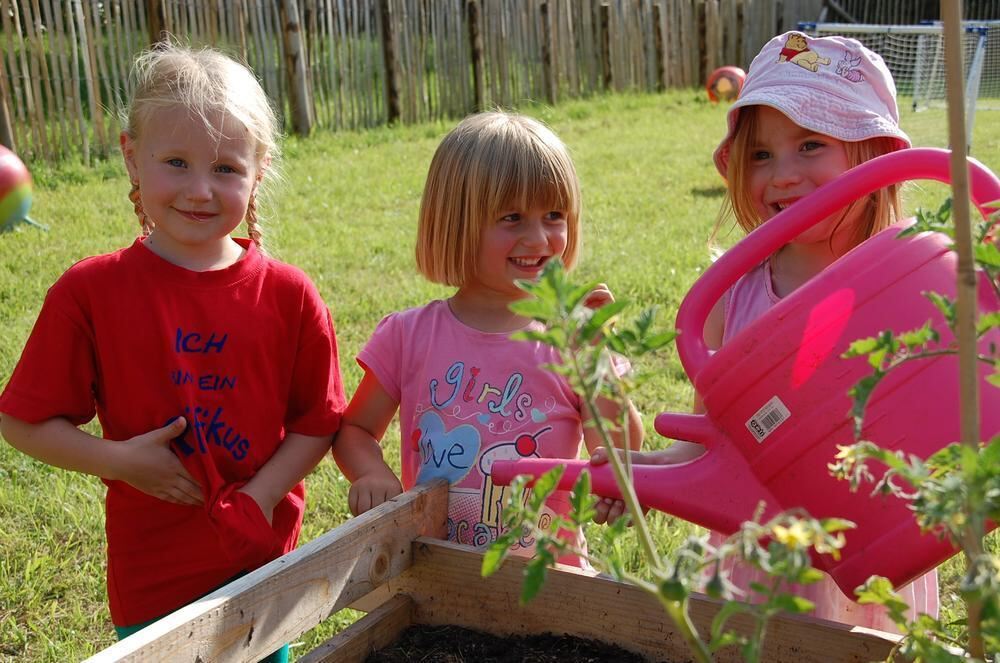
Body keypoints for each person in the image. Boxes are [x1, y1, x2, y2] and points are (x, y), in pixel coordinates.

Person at [0, 44, 345, 662]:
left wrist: (261, 496)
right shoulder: (91, 292)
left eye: (226, 169)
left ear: (259, 168)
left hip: (260, 564)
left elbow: (318, 421)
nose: (200, 190)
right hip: (152, 570)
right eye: (177, 162)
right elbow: (23, 422)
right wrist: (121, 460)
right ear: (133, 157)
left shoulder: (290, 294)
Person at [592, 31, 938, 630]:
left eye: (810, 145)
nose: (781, 176)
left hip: (872, 560)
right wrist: (633, 472)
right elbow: (706, 448)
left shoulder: (910, 278)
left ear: (875, 153)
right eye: (760, 154)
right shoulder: (733, 296)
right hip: (760, 564)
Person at [331, 110, 643, 562]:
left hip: (551, 580)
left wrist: (598, 361)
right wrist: (371, 473)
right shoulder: (409, 334)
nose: (539, 238)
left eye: (554, 215)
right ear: (456, 224)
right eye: (512, 218)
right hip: (436, 576)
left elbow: (617, 451)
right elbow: (355, 429)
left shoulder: (573, 339)